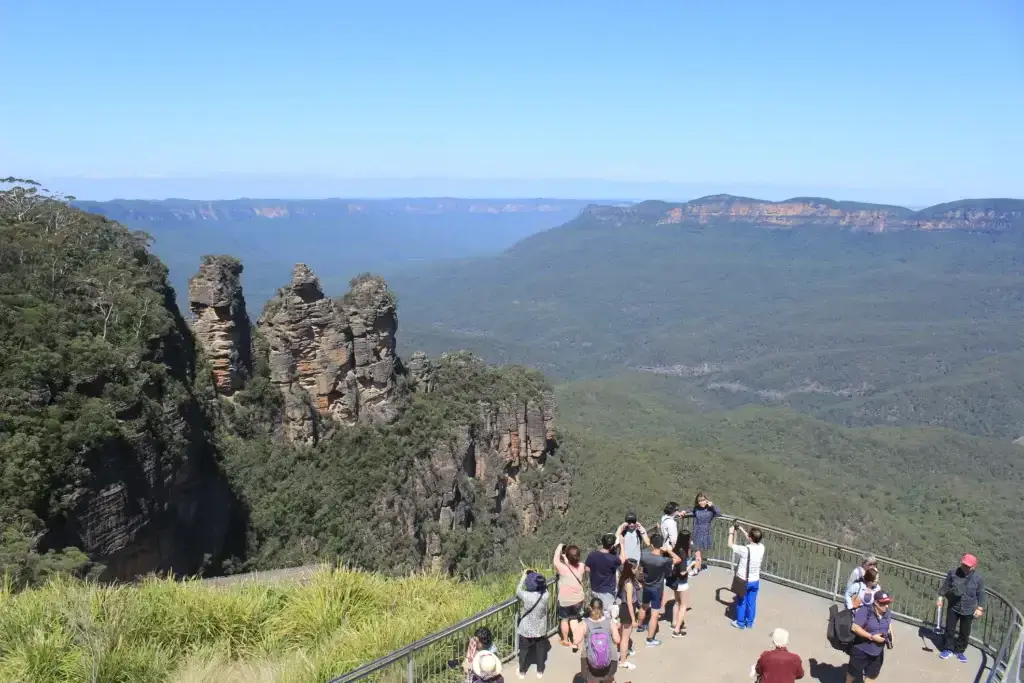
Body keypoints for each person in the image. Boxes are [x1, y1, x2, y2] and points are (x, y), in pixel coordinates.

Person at [636, 531, 681, 646]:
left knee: (644, 606)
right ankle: (650, 639)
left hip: (646, 586)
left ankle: (640, 626)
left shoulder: (644, 555)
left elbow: (640, 570)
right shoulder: (664, 560)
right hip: (657, 588)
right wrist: (668, 550)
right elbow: (678, 559)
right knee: (654, 614)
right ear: (661, 545)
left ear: (651, 544)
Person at [938, 553, 985, 663]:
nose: (965, 568)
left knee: (964, 632)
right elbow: (946, 586)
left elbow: (981, 593)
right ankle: (948, 649)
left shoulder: (978, 578)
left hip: (969, 609)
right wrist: (940, 598)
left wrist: (980, 608)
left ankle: (959, 651)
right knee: (950, 629)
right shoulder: (953, 573)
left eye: (968, 566)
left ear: (974, 567)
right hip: (953, 606)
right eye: (964, 565)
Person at [846, 590, 894, 683]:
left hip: (877, 653)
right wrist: (872, 637)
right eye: (883, 603)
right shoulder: (866, 610)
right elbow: (855, 627)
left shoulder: (888, 613)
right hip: (861, 650)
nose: (887, 606)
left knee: (871, 678)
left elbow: (889, 624)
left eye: (888, 603)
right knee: (852, 675)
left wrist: (891, 639)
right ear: (876, 602)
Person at [729, 522, 765, 630]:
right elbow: (752, 539)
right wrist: (742, 529)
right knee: (751, 603)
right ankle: (749, 623)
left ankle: (740, 623)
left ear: (750, 537)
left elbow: (730, 545)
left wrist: (731, 533)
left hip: (744, 580)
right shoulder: (762, 547)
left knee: (741, 602)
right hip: (755, 580)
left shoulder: (745, 550)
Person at [516, 569, 550, 679]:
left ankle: (522, 672)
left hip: (526, 629)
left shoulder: (525, 595)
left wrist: (523, 576)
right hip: (540, 629)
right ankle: (540, 671)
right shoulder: (545, 595)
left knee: (524, 651)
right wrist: (538, 575)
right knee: (540, 650)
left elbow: (518, 590)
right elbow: (545, 587)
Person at [579, 597, 621, 683]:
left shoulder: (584, 622)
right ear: (602, 608)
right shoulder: (610, 622)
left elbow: (576, 640)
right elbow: (617, 640)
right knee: (608, 679)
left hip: (590, 661)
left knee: (591, 679)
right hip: (609, 659)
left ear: (590, 608)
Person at [554, 543, 587, 649]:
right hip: (578, 599)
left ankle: (565, 640)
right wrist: (566, 557)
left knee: (564, 620)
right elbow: (572, 564)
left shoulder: (561, 568)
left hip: (565, 600)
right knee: (574, 619)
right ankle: (575, 642)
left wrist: (560, 547)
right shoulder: (581, 566)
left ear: (567, 556)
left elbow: (555, 560)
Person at [585, 533, 622, 620]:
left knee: (596, 611)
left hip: (594, 588)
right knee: (607, 613)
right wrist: (622, 545)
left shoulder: (592, 555)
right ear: (613, 546)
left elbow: (587, 568)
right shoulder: (613, 559)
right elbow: (622, 560)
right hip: (607, 591)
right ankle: (606, 631)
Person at [615, 557, 643, 670]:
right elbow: (630, 603)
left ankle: (623, 654)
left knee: (623, 634)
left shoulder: (625, 579)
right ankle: (623, 660)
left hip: (624, 609)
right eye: (636, 568)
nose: (637, 570)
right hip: (627, 610)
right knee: (625, 637)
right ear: (631, 569)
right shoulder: (629, 584)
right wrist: (633, 619)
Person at [680, 492, 720, 569]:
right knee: (697, 554)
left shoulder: (711, 509)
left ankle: (696, 569)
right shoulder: (697, 508)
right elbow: (690, 510)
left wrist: (712, 505)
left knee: (699, 553)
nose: (701, 502)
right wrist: (684, 511)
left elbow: (718, 513)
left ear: (707, 500)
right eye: (699, 501)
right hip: (697, 532)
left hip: (705, 533)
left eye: (703, 500)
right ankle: (696, 568)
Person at [667, 529, 695, 637]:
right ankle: (677, 630)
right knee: (683, 605)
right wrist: (691, 565)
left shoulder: (676, 549)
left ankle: (674, 623)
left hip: (674, 580)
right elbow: (683, 572)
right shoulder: (683, 553)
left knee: (677, 602)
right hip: (682, 582)